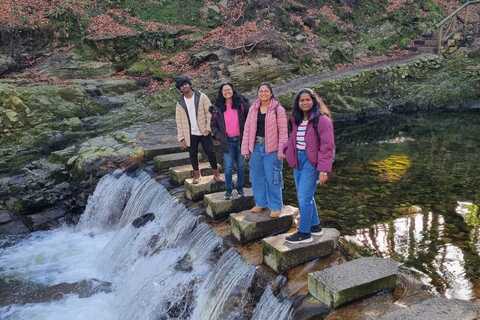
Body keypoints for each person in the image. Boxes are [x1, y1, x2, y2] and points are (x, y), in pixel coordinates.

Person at [282, 88, 335, 243]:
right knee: (306, 196)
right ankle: (315, 226)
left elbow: (327, 146)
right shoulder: (296, 120)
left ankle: (304, 233)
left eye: (307, 100)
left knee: (303, 197)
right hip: (298, 161)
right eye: (301, 100)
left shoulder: (322, 120)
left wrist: (324, 170)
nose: (305, 102)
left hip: (311, 161)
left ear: (314, 101)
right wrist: (286, 149)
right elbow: (293, 138)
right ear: (298, 103)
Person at [241, 83, 288, 218]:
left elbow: (284, 132)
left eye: (266, 91)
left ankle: (276, 206)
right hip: (256, 147)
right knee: (256, 177)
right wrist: (245, 148)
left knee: (273, 178)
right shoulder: (253, 109)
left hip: (272, 149)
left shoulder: (278, 109)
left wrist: (281, 150)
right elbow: (247, 129)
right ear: (258, 94)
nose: (263, 93)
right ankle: (261, 203)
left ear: (271, 93)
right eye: (261, 91)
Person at [174, 75, 222, 184]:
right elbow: (179, 122)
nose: (184, 86)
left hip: (204, 131)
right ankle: (197, 175)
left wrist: (208, 128)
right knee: (193, 154)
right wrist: (181, 138)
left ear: (190, 84)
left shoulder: (201, 96)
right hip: (190, 133)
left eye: (186, 84)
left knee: (210, 152)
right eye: (181, 86)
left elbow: (210, 112)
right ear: (180, 89)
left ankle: (216, 174)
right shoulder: (179, 104)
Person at [211, 83, 250, 200]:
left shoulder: (241, 105)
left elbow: (249, 120)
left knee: (241, 167)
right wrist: (220, 137)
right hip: (227, 142)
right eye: (224, 90)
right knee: (228, 168)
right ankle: (228, 190)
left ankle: (240, 189)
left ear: (233, 90)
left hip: (240, 141)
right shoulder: (217, 108)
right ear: (221, 93)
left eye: (229, 89)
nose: (227, 92)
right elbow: (213, 126)